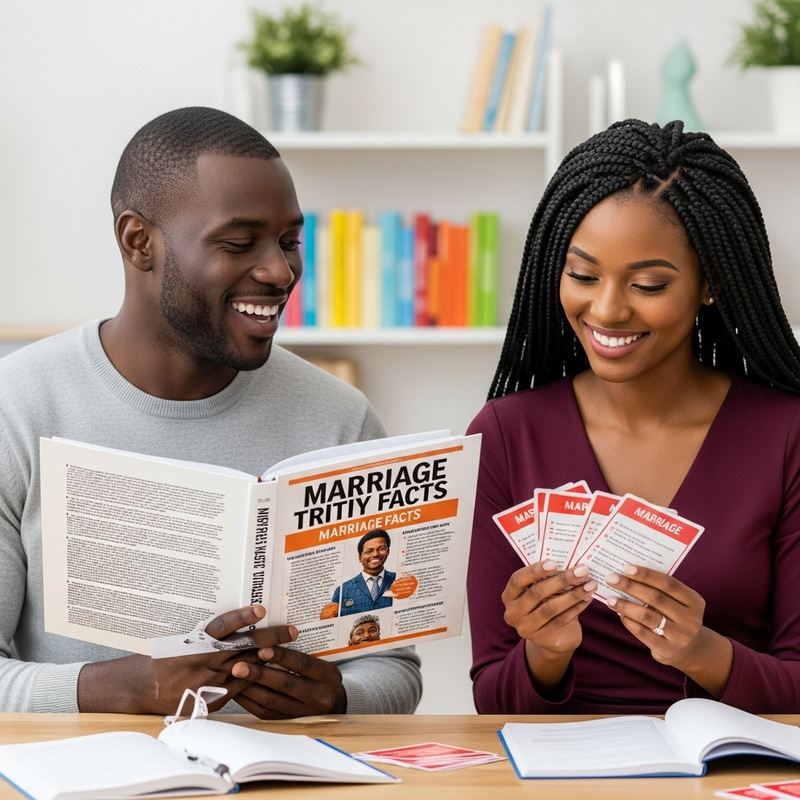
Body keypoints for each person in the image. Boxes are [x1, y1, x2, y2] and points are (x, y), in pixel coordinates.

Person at [0, 106, 421, 717]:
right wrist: (113, 690)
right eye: (237, 243)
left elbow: (392, 669)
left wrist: (335, 695)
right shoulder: (19, 405)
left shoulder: (339, 418)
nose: (280, 271)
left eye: (288, 241)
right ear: (138, 241)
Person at [466, 118, 800, 716]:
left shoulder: (786, 436)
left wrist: (702, 652)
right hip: (558, 774)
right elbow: (493, 698)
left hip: (734, 769)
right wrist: (545, 651)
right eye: (583, 275)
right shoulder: (504, 435)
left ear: (711, 284)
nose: (608, 308)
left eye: (648, 283)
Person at [332, 530, 396, 616]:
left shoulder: (398, 580)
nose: (375, 554)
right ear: (360, 558)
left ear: (388, 552)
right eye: (369, 551)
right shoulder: (343, 590)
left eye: (381, 549)